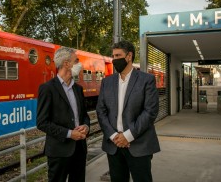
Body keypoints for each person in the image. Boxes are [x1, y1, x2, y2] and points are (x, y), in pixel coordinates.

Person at [96, 40, 160, 182]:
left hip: (139, 144)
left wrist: (127, 135)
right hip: (114, 146)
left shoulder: (146, 80)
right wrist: (114, 136)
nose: (114, 59)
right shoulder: (107, 82)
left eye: (118, 55)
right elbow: (101, 111)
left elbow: (150, 111)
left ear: (129, 56)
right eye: (113, 56)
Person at [37, 47, 90, 182]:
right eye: (76, 60)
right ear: (66, 63)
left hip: (79, 149)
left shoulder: (78, 89)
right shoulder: (47, 89)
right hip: (59, 151)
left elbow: (84, 115)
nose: (79, 64)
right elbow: (42, 122)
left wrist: (86, 126)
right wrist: (69, 133)